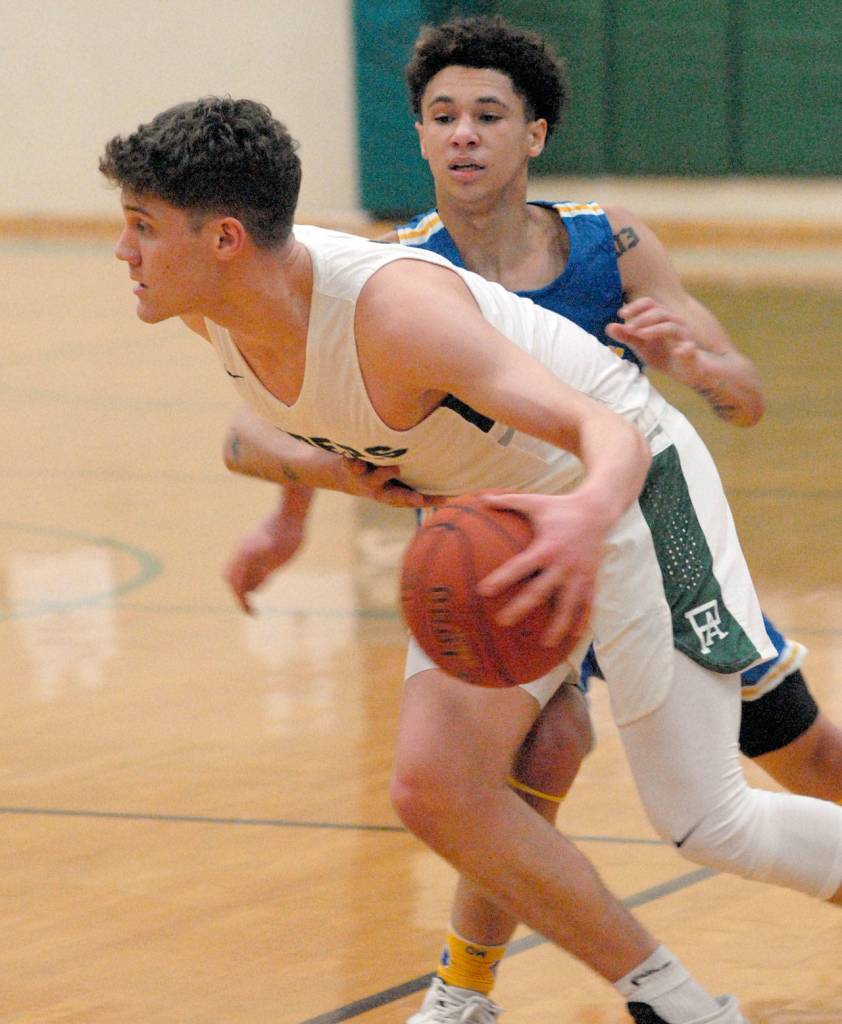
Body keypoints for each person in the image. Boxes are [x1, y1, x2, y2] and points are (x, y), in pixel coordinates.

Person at [101, 95, 842, 1024]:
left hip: (633, 491)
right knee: (435, 787)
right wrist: (316, 495)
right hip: (500, 518)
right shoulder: (215, 307)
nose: (123, 251)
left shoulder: (399, 311)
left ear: (222, 239)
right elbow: (266, 424)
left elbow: (607, 428)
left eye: (141, 227)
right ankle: (676, 1005)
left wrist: (582, 520)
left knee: (705, 820)